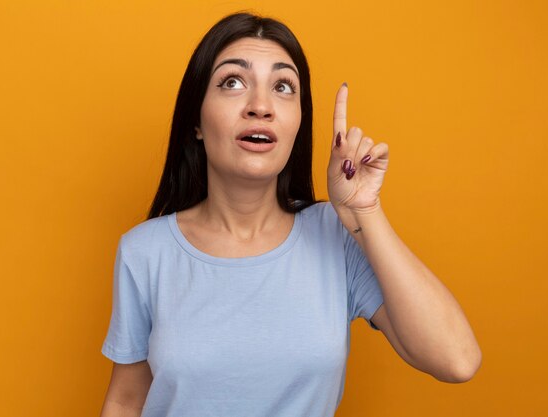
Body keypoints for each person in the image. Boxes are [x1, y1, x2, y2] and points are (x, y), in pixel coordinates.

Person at [99, 11, 481, 417]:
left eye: (283, 87)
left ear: (299, 122)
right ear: (195, 120)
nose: (260, 106)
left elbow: (457, 360)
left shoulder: (335, 236)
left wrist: (363, 212)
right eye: (233, 82)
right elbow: (126, 400)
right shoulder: (145, 252)